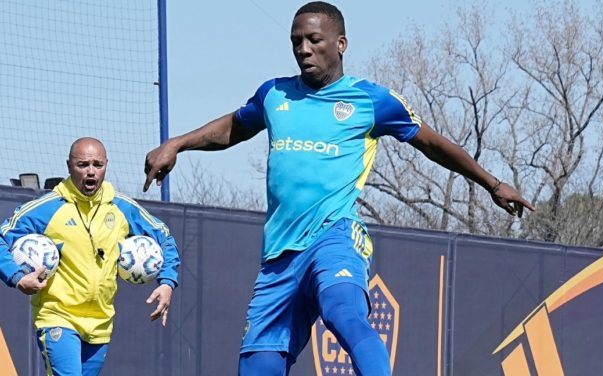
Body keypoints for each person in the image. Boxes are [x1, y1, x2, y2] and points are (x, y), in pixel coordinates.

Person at [144, 2, 534, 375]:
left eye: (314, 39)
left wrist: (493, 184)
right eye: (297, 41)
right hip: (279, 256)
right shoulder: (274, 95)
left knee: (342, 310)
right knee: (258, 363)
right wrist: (177, 143)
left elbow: (431, 143)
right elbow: (233, 128)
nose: (303, 49)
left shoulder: (370, 100)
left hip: (335, 234)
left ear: (340, 44)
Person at [0, 137, 181, 376]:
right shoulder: (48, 207)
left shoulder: (121, 207)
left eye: (98, 165)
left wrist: (167, 282)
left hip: (101, 324)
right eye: (83, 165)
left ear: (107, 164)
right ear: (68, 166)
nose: (91, 172)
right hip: (57, 318)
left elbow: (165, 238)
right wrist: (17, 277)